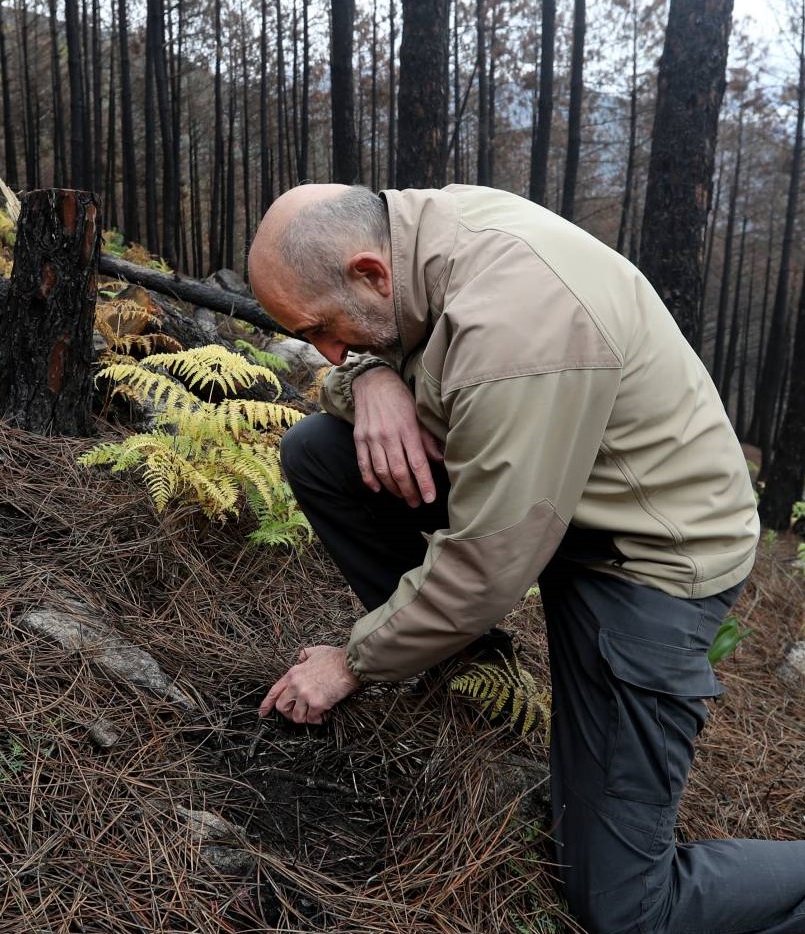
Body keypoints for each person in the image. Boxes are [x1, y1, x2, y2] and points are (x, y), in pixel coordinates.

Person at [248, 183, 805, 934]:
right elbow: (380, 371)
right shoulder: (427, 243)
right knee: (320, 451)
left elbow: (485, 570)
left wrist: (354, 659)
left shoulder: (514, 330)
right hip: (557, 497)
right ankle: (465, 662)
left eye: (324, 329)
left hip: (647, 553)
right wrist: (372, 376)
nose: (328, 354)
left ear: (372, 274)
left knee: (628, 908)